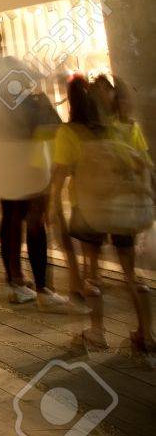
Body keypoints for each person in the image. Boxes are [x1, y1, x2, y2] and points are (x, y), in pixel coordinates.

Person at [51, 75, 154, 355]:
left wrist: (54, 208)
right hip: (124, 208)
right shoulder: (123, 129)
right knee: (131, 274)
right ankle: (146, 334)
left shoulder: (71, 132)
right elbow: (144, 164)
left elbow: (60, 175)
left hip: (88, 210)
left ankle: (97, 333)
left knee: (92, 273)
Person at [0, 56, 72, 311]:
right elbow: (53, 126)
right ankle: (42, 288)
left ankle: (15, 281)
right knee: (34, 220)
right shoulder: (29, 100)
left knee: (9, 215)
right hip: (27, 160)